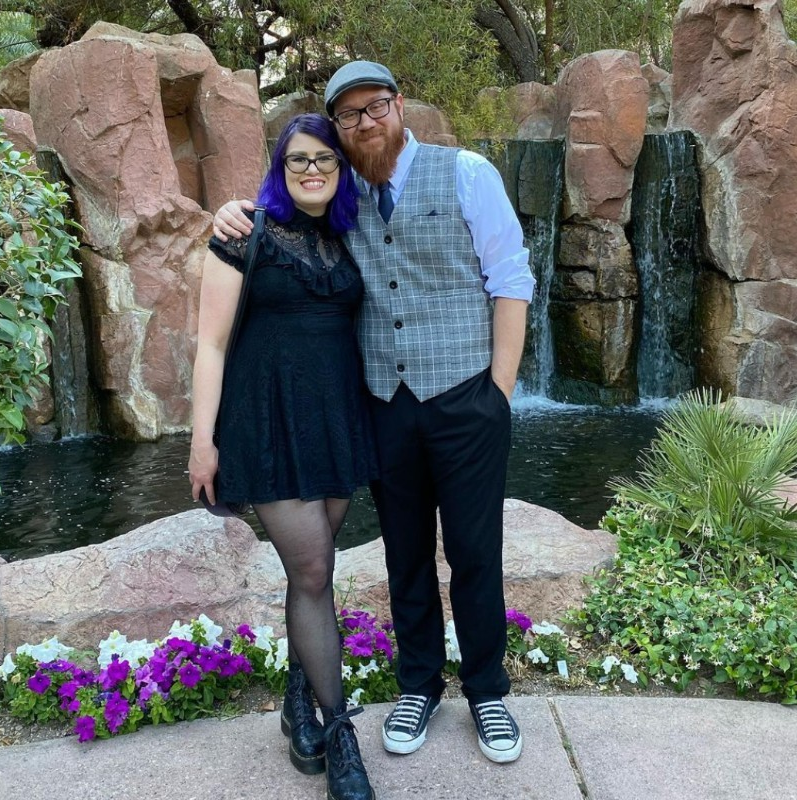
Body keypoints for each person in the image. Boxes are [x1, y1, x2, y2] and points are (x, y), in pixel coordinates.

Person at [212, 62, 535, 765]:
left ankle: (487, 692)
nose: (366, 122)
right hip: (384, 404)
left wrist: (499, 393)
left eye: (376, 106)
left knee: (475, 553)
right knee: (404, 553)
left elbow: (511, 278)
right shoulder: (336, 191)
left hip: (466, 398)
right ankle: (418, 685)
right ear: (339, 126)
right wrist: (230, 211)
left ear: (399, 105)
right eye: (350, 114)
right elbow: (279, 206)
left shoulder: (467, 173)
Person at [189, 113, 377, 800]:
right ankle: (340, 733)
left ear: (340, 168)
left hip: (335, 422)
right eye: (298, 159)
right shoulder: (244, 233)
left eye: (324, 158)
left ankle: (299, 701)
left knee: (311, 578)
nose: (312, 169)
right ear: (281, 167)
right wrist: (201, 441)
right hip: (266, 424)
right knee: (314, 568)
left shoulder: (351, 234)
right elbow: (210, 346)